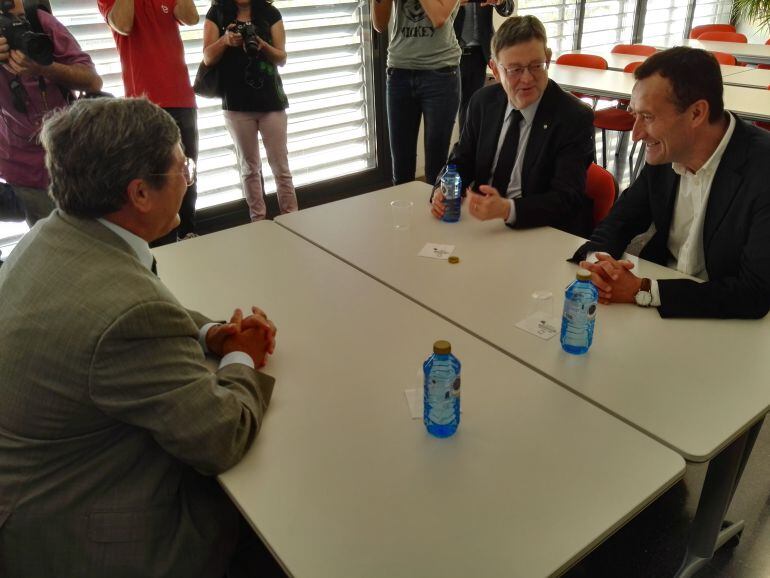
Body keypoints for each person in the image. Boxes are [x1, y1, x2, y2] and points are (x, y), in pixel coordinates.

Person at [0, 98, 279, 577]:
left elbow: (130, 308)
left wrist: (210, 332)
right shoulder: (128, 314)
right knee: (273, 517)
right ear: (140, 194)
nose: (188, 178)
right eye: (181, 166)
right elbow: (220, 436)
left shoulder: (52, 233)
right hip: (86, 534)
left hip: (31, 494)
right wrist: (240, 358)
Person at [572, 47, 770, 319]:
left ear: (697, 113)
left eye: (648, 117)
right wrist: (598, 265)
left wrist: (643, 289)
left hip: (730, 322)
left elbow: (754, 293)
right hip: (662, 307)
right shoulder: (668, 151)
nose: (636, 134)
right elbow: (622, 219)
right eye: (635, 115)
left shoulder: (762, 170)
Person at [431, 15, 595, 238]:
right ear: (495, 71)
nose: (527, 79)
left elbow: (566, 198)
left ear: (547, 58)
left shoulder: (573, 117)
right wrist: (443, 187)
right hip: (482, 226)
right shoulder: (482, 102)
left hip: (539, 231)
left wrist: (509, 210)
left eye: (536, 65)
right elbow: (462, 159)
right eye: (515, 70)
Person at [97, 0, 200, 242]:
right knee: (154, 180)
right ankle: (160, 246)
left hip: (181, 97)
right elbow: (123, 24)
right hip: (144, 106)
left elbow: (191, 17)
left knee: (187, 173)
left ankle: (188, 233)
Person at [0, 0, 101, 226]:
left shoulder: (39, 21)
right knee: (56, 248)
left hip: (72, 160)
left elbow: (92, 81)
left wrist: (43, 67)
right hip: (23, 172)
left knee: (94, 240)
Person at [203, 0, 297, 222]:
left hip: (271, 102)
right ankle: (258, 222)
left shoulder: (269, 13)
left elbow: (282, 58)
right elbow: (207, 57)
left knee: (281, 167)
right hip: (236, 103)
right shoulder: (217, 13)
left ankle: (292, 218)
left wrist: (262, 44)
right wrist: (225, 40)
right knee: (249, 169)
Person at [372, 0, 462, 186]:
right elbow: (379, 24)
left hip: (441, 73)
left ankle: (431, 212)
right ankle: (404, 215)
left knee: (435, 169)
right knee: (401, 169)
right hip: (399, 71)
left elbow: (438, 16)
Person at [454, 0, 514, 131]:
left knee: (472, 108)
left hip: (478, 54)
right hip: (451, 53)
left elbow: (508, 8)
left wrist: (500, 1)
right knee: (446, 109)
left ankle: (468, 147)